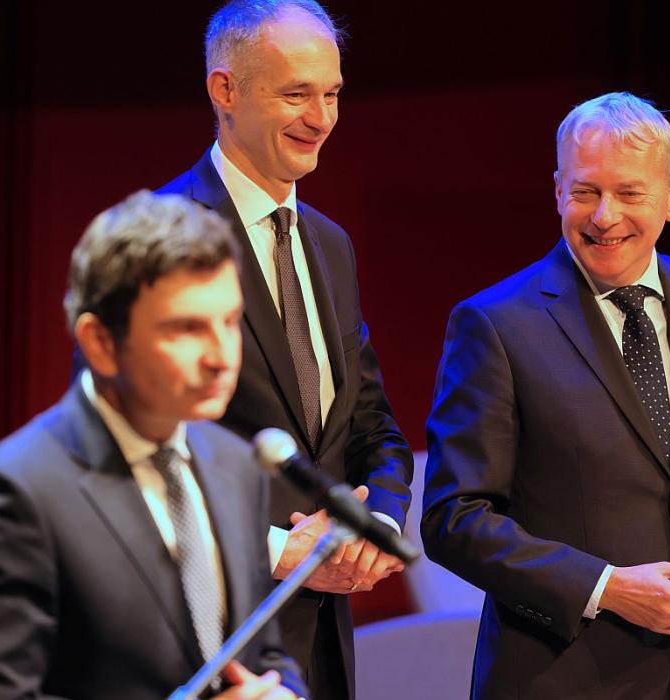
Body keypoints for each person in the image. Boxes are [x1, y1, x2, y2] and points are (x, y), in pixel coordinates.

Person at [422, 92, 670, 700]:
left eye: (629, 193)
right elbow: (454, 518)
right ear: (557, 190)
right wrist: (608, 588)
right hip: (562, 678)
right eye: (585, 191)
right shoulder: (494, 324)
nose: (604, 216)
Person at [0, 191, 306, 699]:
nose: (222, 357)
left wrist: (283, 692)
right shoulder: (14, 494)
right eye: (186, 329)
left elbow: (261, 651)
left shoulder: (236, 465)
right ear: (100, 343)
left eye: (230, 322)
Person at [157, 2, 413, 697]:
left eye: (332, 93)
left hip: (322, 647)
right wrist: (276, 552)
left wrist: (375, 524)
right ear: (225, 90)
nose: (321, 117)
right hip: (208, 644)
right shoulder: (158, 237)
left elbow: (374, 430)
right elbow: (125, 457)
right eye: (297, 94)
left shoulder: (329, 245)